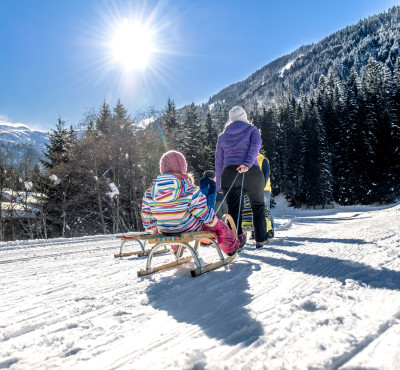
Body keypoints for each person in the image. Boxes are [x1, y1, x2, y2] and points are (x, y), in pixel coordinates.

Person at [141, 150, 240, 256]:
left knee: (174, 227)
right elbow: (203, 213)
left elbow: (147, 216)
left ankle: (176, 248)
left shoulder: (150, 192)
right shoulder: (189, 189)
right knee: (220, 226)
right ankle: (231, 249)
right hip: (188, 227)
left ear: (162, 168)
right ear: (183, 167)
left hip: (165, 229)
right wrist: (215, 224)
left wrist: (153, 231)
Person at [215, 106, 269, 248]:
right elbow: (256, 146)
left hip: (229, 173)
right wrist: (247, 163)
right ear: (245, 116)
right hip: (251, 172)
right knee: (258, 206)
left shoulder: (222, 136)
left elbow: (219, 161)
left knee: (233, 210)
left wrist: (218, 185)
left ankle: (235, 242)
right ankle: (261, 239)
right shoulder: (252, 130)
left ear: (231, 119)